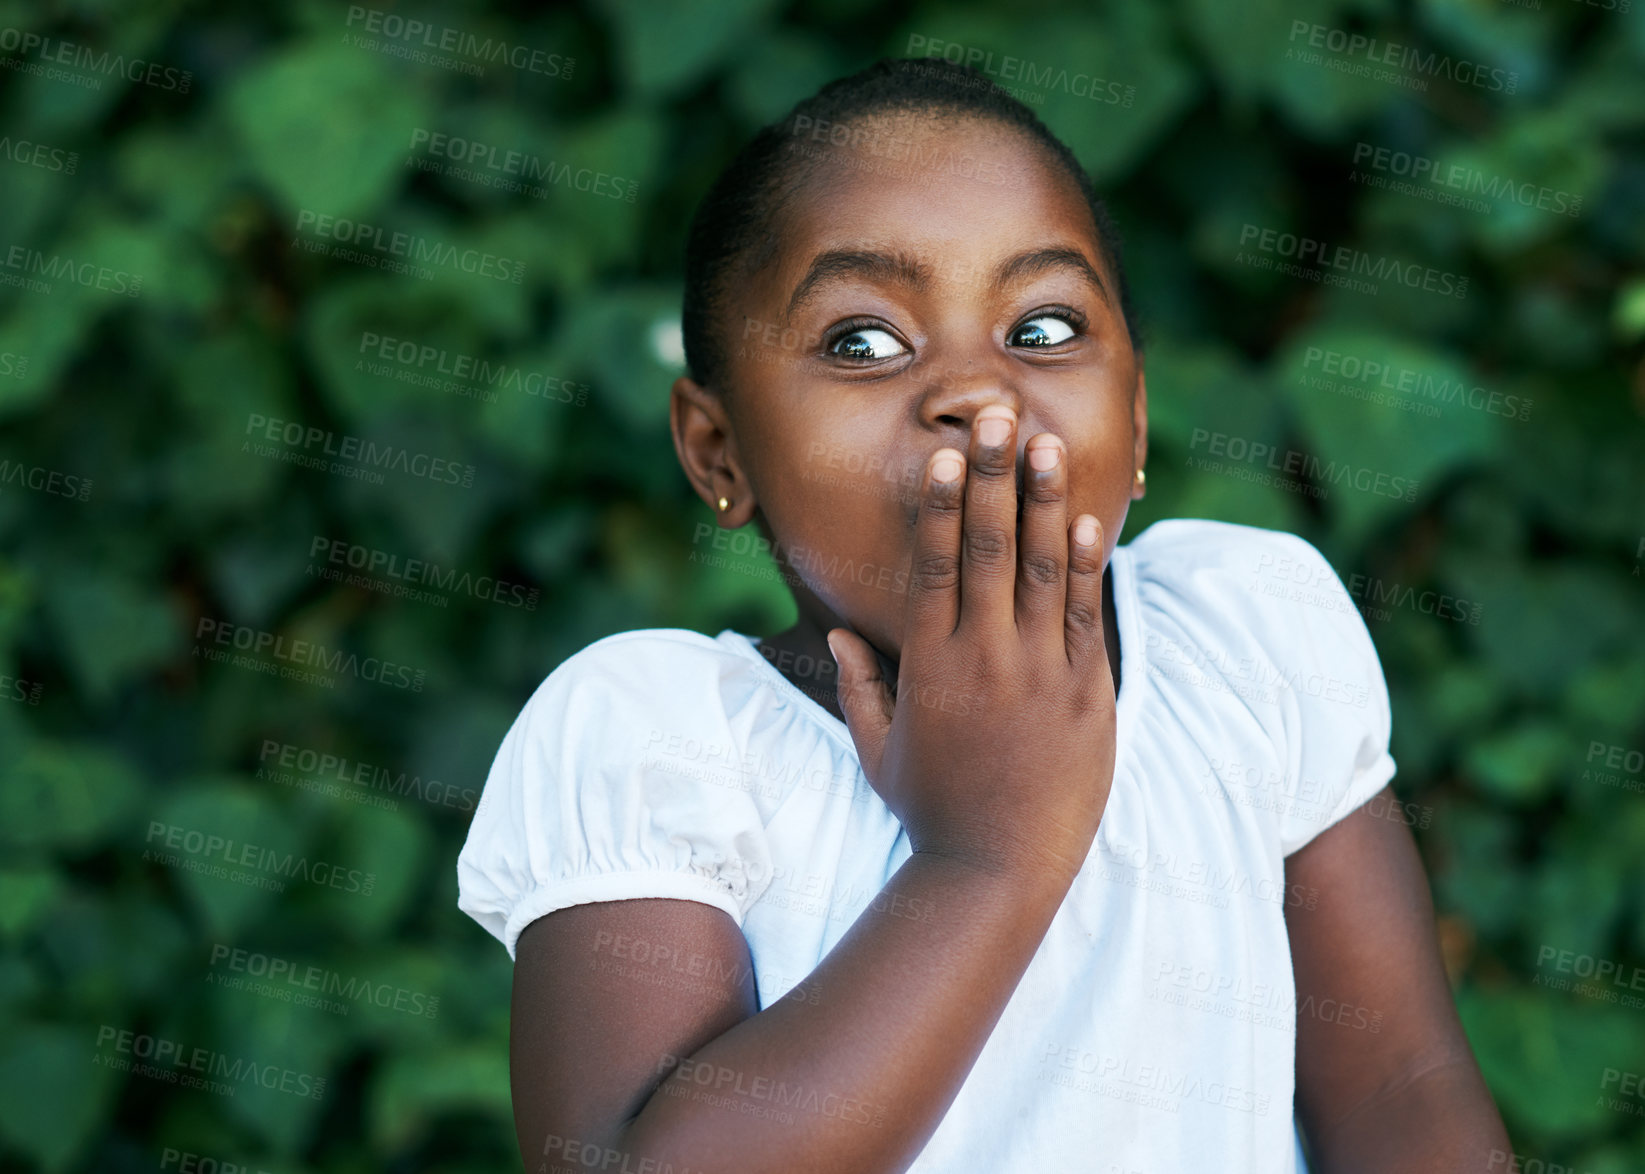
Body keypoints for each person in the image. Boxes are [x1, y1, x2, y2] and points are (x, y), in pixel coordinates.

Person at [457, 56, 1511, 1173]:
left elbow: (1403, 1087)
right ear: (719, 450)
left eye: (1044, 329)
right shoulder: (657, 737)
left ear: (1138, 423)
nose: (979, 391)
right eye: (863, 341)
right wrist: (986, 859)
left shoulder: (1246, 639)